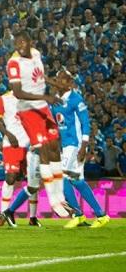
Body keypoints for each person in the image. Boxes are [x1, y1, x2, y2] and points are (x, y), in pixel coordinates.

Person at [6, 31, 69, 217]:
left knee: (54, 147)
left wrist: (55, 83)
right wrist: (45, 96)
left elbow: (40, 76)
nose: (19, 45)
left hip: (43, 107)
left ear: (30, 42)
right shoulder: (13, 63)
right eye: (16, 43)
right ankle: (53, 201)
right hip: (28, 110)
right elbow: (17, 92)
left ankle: (60, 196)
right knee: (43, 149)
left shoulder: (36, 54)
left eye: (22, 41)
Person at [52, 70, 110, 228]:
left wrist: (84, 146)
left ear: (69, 83)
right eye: (57, 79)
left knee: (61, 178)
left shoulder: (76, 99)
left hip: (75, 145)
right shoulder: (56, 102)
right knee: (77, 181)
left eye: (63, 80)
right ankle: (101, 215)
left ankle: (78, 214)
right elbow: (55, 126)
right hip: (66, 146)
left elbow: (86, 123)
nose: (59, 82)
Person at [0, 91, 41, 227]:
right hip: (12, 144)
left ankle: (33, 217)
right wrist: (8, 134)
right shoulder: (3, 99)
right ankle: (4, 213)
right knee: (10, 178)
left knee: (33, 180)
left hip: (30, 144)